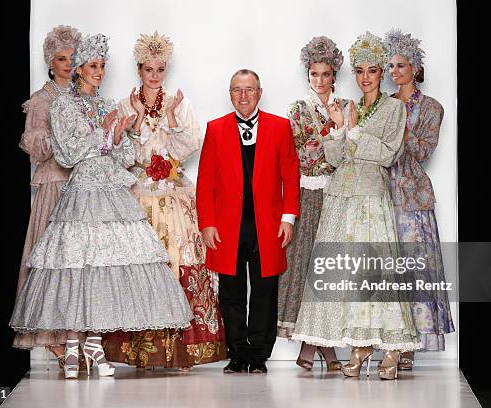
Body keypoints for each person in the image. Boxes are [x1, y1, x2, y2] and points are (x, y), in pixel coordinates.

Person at [9, 33, 193, 380]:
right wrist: (103, 133)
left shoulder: (108, 104)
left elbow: (123, 158)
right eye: (93, 65)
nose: (100, 71)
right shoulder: (63, 104)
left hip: (112, 192)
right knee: (80, 267)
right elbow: (67, 154)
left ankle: (94, 343)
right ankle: (76, 346)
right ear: (78, 69)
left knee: (106, 267)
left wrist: (127, 130)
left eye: (103, 66)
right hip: (83, 191)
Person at [291, 32, 419, 380]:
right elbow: (333, 159)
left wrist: (355, 134)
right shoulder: (348, 107)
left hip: (369, 198)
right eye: (360, 70)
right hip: (339, 197)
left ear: (381, 74)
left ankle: (390, 347)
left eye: (373, 70)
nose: (365, 77)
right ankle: (360, 344)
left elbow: (389, 154)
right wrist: (335, 131)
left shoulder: (394, 109)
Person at [102, 31, 226, 370]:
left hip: (172, 191)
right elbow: (121, 152)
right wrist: (139, 120)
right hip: (140, 193)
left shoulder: (177, 101)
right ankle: (139, 348)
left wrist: (170, 118)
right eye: (148, 70)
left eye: (160, 70)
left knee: (181, 259)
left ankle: (182, 349)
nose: (155, 76)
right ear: (139, 69)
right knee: (141, 263)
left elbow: (189, 144)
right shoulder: (126, 104)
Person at [196, 69, 300, 373]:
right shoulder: (215, 129)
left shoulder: (280, 127)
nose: (243, 96)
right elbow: (205, 182)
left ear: (259, 92)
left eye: (249, 89)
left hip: (267, 224)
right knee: (231, 291)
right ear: (230, 94)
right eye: (237, 90)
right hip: (228, 225)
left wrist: (288, 218)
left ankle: (259, 355)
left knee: (265, 290)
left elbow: (290, 177)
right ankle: (238, 352)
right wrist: (207, 223)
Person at [384, 28, 455, 370]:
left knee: (414, 271)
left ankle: (413, 343)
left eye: (400, 65)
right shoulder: (384, 104)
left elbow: (424, 152)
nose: (394, 72)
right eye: (391, 66)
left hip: (413, 198)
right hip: (384, 194)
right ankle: (391, 340)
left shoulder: (431, 108)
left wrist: (402, 125)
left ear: (415, 68)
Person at [13, 25, 82, 366]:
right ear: (50, 63)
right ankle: (53, 338)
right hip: (55, 185)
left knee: (79, 265)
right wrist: (63, 138)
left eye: (72, 58)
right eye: (61, 59)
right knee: (52, 264)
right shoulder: (42, 99)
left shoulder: (84, 96)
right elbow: (34, 148)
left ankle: (78, 334)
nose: (68, 64)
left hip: (82, 188)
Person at [277, 36, 345, 371]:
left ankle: (317, 345)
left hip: (337, 194)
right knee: (306, 266)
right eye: (314, 73)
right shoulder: (297, 109)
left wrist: (335, 138)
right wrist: (334, 133)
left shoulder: (347, 106)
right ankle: (320, 347)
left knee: (330, 268)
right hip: (307, 193)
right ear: (308, 74)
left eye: (325, 74)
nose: (319, 80)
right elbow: (305, 152)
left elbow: (346, 154)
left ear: (334, 75)